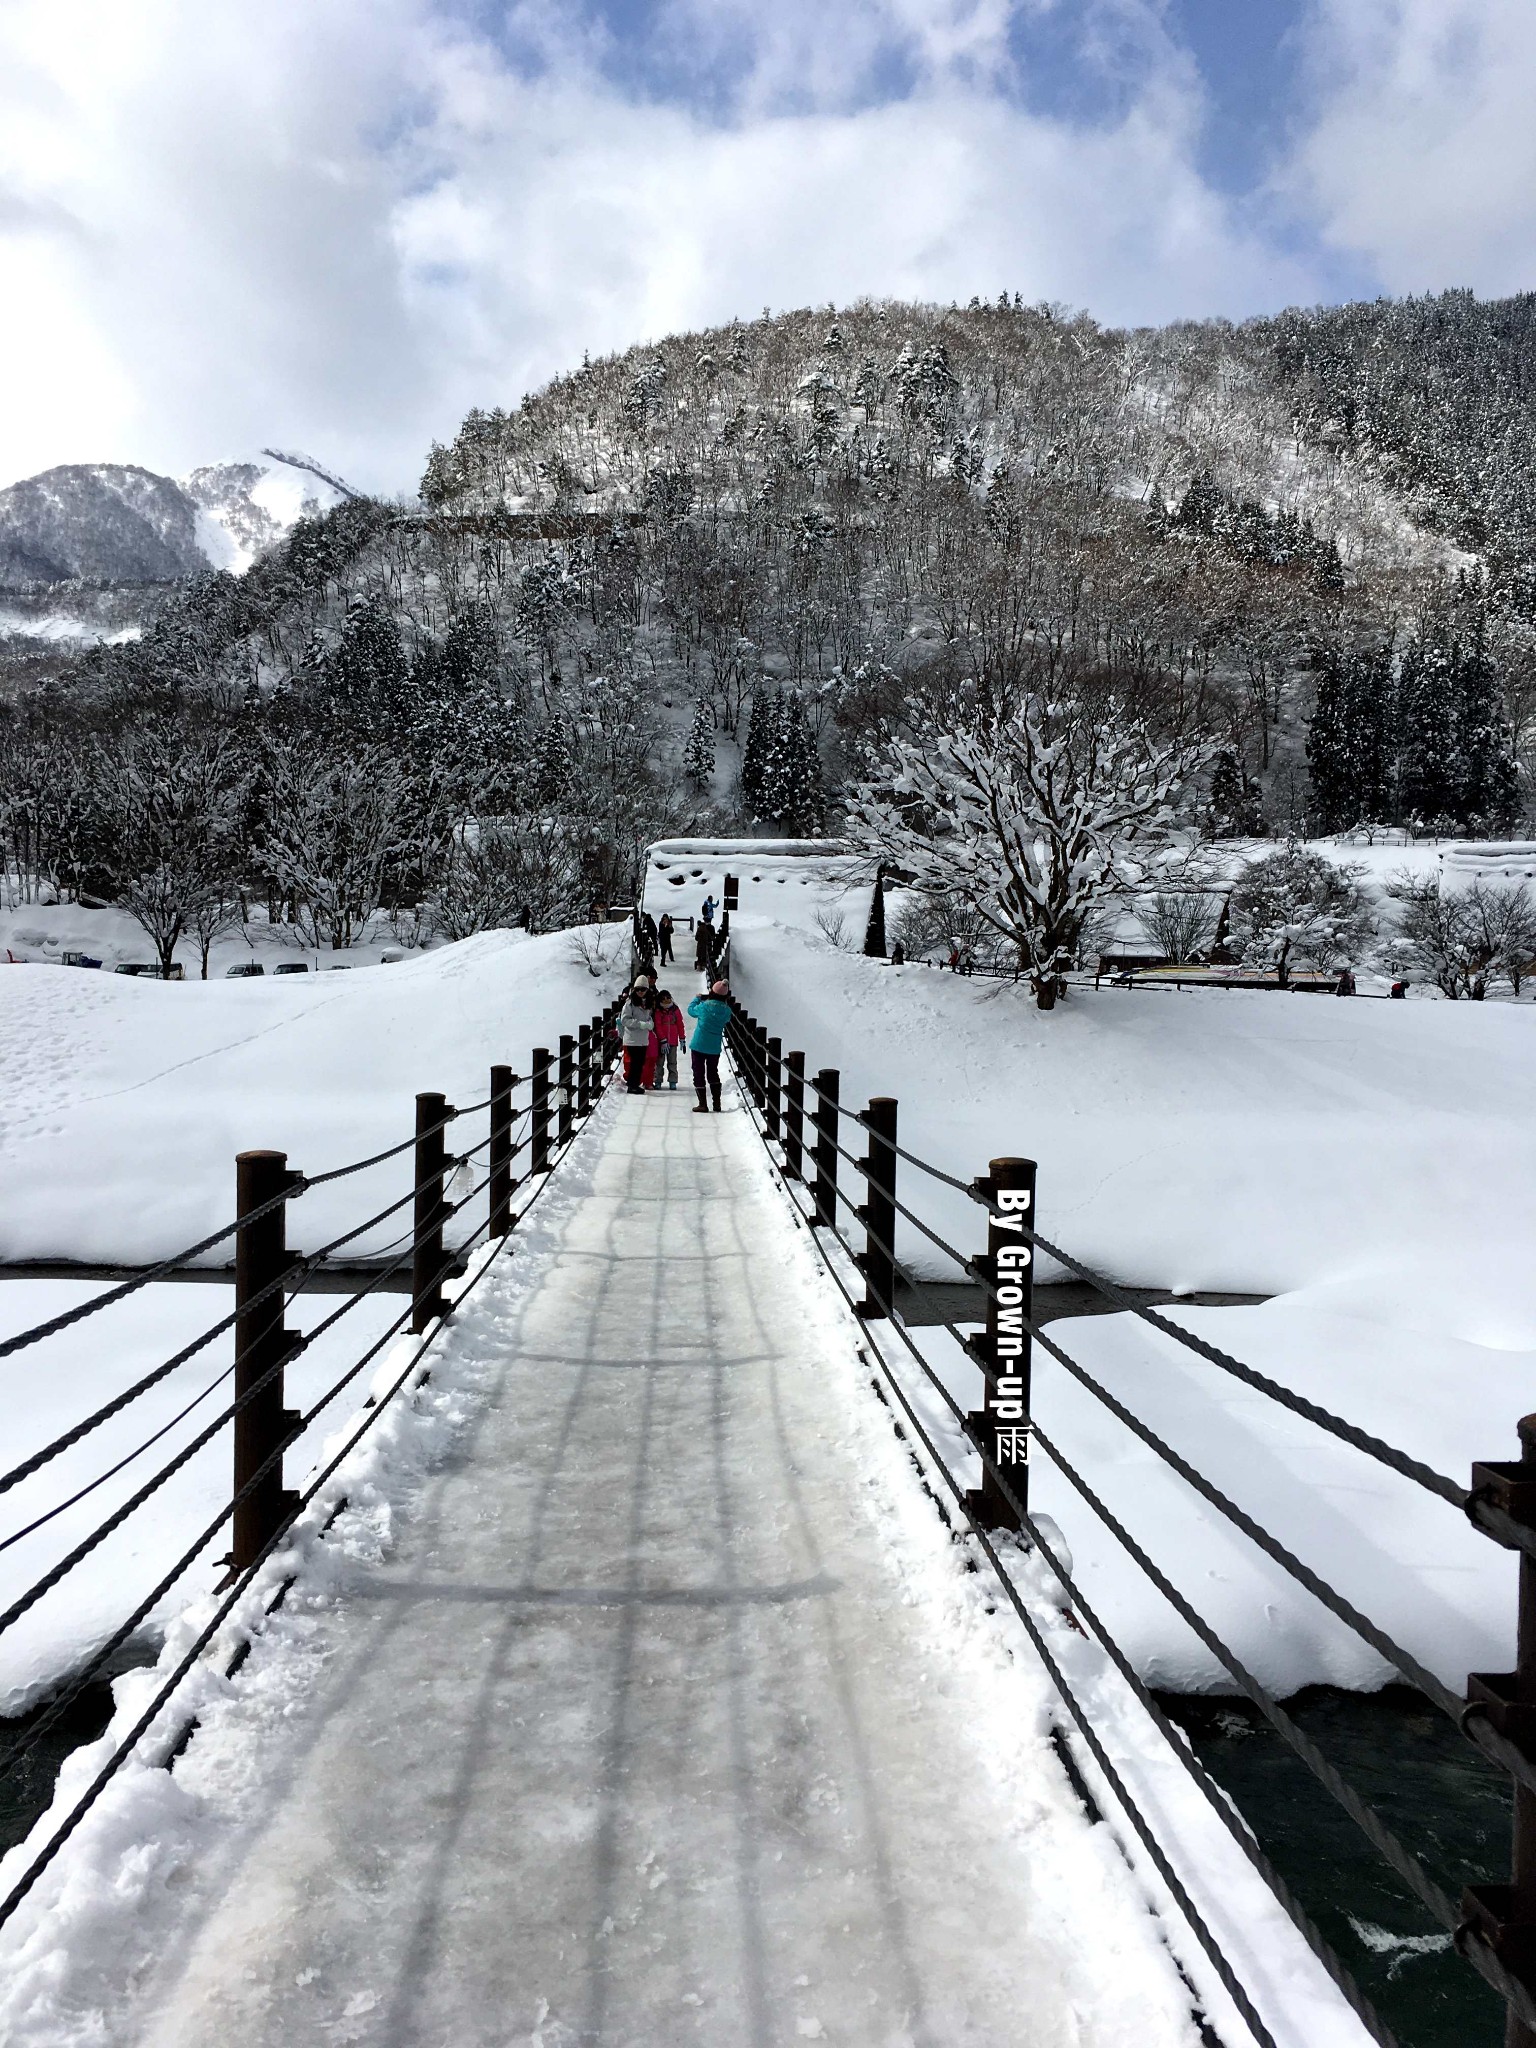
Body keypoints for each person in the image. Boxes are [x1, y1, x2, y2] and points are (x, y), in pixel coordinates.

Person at [687, 979, 731, 1113]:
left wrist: (697, 999)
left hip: (699, 1045)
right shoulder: (726, 1010)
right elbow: (727, 1019)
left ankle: (702, 1104)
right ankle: (716, 1103)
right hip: (714, 1047)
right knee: (713, 1072)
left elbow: (691, 1011)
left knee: (698, 1073)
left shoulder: (704, 1006)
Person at [619, 978, 655, 1094]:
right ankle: (632, 1085)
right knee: (635, 1062)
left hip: (643, 1039)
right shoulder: (629, 1003)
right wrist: (640, 1024)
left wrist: (650, 1024)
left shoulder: (647, 1002)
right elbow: (624, 1020)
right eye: (638, 989)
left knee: (640, 1062)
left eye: (643, 989)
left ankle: (635, 1084)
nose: (640, 992)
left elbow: (648, 1017)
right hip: (632, 1038)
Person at [649, 989, 685, 1088]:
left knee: (672, 1062)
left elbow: (680, 1024)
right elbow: (658, 1026)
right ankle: (658, 1080)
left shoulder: (675, 1010)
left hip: (673, 1040)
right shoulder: (658, 1011)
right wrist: (662, 1039)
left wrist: (682, 1038)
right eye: (663, 999)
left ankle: (673, 1080)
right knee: (659, 1062)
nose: (666, 1000)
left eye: (668, 998)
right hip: (661, 1041)